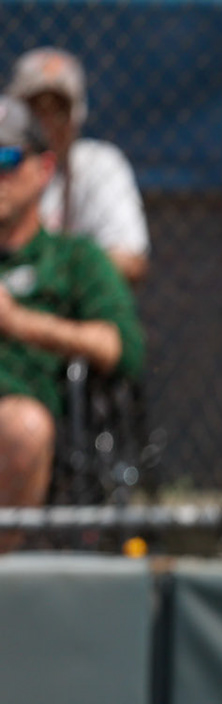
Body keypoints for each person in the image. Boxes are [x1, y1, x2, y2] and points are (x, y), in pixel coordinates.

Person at [0, 96, 144, 534]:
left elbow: (121, 348)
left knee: (20, 428)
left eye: (6, 157)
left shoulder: (74, 259)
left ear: (44, 169)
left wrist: (17, 323)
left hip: (18, 415)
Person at [8, 49, 149, 287]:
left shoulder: (99, 165)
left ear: (76, 114)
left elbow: (130, 260)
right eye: (35, 109)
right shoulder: (5, 164)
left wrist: (37, 280)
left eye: (58, 110)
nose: (47, 122)